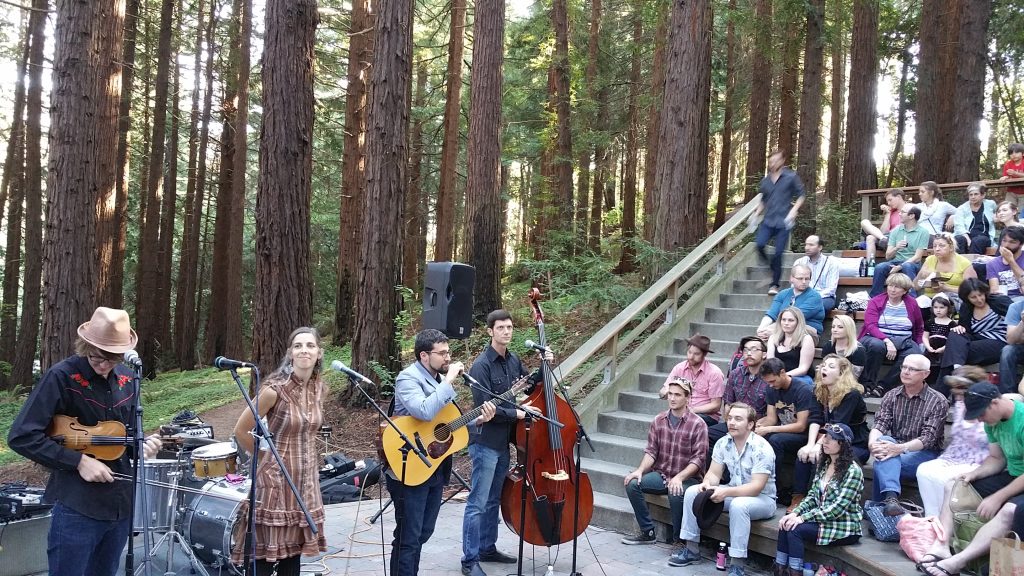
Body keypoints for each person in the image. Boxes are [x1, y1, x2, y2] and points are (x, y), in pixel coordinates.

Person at [8, 307, 162, 576]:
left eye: (111, 359)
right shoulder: (61, 377)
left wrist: (143, 445)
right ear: (86, 345)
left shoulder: (128, 379)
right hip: (77, 507)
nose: (102, 365)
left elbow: (124, 438)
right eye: (96, 357)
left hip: (119, 505)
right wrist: (78, 461)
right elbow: (22, 436)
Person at [386, 329, 496, 576]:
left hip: (434, 465)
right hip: (409, 465)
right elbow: (423, 411)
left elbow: (445, 423)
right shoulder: (408, 378)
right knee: (409, 536)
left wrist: (478, 420)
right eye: (442, 353)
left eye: (449, 352)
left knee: (424, 532)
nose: (448, 358)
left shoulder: (437, 380)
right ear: (425, 355)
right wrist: (448, 381)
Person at [227, 327, 329, 575]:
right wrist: (267, 460)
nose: (304, 350)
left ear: (319, 353)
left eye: (310, 345)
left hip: (305, 484)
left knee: (292, 558)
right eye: (298, 346)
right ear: (290, 354)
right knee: (263, 559)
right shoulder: (274, 390)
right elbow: (241, 431)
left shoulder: (320, 389)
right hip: (275, 483)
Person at [461, 310, 547, 574]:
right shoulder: (481, 366)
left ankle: (488, 548)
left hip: (504, 443)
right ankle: (470, 560)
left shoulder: (513, 361)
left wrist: (546, 366)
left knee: (492, 500)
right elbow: (484, 411)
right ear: (490, 331)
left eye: (509, 327)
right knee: (477, 502)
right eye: (501, 328)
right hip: (484, 443)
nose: (507, 332)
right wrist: (518, 413)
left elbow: (530, 386)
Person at [919, 381, 1024, 576]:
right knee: (954, 484)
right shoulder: (992, 421)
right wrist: (973, 474)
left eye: (982, 414)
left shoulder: (1022, 419)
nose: (981, 420)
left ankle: (958, 561)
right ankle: (941, 546)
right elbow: (996, 459)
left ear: (994, 403)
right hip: (1013, 475)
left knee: (1010, 510)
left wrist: (998, 497)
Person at [669, 403, 777, 576]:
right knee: (692, 492)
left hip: (762, 500)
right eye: (730, 418)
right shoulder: (723, 442)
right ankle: (691, 549)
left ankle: (737, 565)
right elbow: (713, 473)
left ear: (750, 424)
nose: (732, 422)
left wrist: (725, 492)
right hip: (733, 492)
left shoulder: (762, 448)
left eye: (738, 419)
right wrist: (707, 484)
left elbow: (756, 487)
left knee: (739, 506)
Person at [621, 377, 708, 545]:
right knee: (632, 483)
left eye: (678, 395)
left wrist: (680, 478)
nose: (672, 398)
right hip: (662, 475)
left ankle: (679, 541)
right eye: (670, 394)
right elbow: (651, 451)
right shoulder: (658, 420)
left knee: (675, 492)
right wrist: (639, 470)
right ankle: (648, 532)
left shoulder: (698, 424)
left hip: (688, 479)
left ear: (687, 397)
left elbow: (699, 459)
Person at [774, 423, 863, 576]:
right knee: (786, 523)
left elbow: (837, 509)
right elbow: (812, 496)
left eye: (831, 438)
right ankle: (779, 570)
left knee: (795, 530)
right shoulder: (825, 464)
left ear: (843, 444)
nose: (824, 441)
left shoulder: (853, 471)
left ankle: (794, 572)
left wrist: (803, 518)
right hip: (823, 519)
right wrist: (795, 513)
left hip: (844, 526)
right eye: (825, 437)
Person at [868, 353, 949, 516]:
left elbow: (928, 438)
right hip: (895, 445)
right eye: (904, 367)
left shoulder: (938, 401)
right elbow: (880, 423)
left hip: (924, 453)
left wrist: (899, 448)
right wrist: (872, 443)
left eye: (912, 369)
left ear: (925, 374)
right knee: (883, 443)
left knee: (882, 460)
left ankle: (879, 507)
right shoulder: (892, 395)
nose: (905, 371)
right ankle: (890, 501)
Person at [791, 355, 869, 513]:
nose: (824, 368)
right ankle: (799, 496)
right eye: (824, 365)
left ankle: (818, 500)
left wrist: (819, 446)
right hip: (829, 440)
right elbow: (815, 418)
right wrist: (810, 444)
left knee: (821, 456)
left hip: (853, 444)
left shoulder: (851, 394)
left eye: (831, 366)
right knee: (804, 455)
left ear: (841, 373)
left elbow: (837, 424)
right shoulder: (819, 390)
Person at [914, 366, 989, 517]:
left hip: (980, 461)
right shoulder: (960, 406)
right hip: (954, 456)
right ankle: (932, 519)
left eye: (961, 388)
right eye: (955, 388)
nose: (957, 393)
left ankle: (947, 521)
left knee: (944, 478)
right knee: (924, 470)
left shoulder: (989, 408)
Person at [754, 358, 824, 506]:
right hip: (784, 431)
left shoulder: (802, 389)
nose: (770, 385)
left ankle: (775, 487)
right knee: (756, 436)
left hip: (804, 436)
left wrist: (769, 429)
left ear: (782, 372)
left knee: (775, 439)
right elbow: (771, 419)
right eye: (768, 382)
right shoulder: (771, 389)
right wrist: (755, 426)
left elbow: (801, 426)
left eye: (773, 381)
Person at [935, 278, 1011, 393]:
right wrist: (959, 328)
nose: (979, 299)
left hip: (998, 341)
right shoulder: (966, 307)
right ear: (967, 298)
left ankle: (942, 392)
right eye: (973, 297)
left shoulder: (999, 301)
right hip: (975, 340)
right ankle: (958, 370)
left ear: (985, 292)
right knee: (955, 333)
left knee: (951, 353)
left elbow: (1016, 314)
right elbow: (965, 332)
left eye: (980, 295)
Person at [858, 272, 925, 397]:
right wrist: (887, 341)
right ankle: (867, 384)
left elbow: (919, 326)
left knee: (914, 354)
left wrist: (920, 342)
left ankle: (883, 386)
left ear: (905, 291)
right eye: (891, 285)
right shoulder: (875, 301)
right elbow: (870, 325)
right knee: (877, 346)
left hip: (903, 340)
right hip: (875, 337)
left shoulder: (912, 303)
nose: (893, 289)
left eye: (897, 287)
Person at [754, 149, 806, 295]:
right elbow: (763, 199)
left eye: (776, 160)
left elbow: (801, 195)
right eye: (771, 161)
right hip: (768, 220)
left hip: (784, 221)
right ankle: (772, 269)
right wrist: (757, 212)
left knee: (778, 253)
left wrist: (794, 209)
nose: (773, 163)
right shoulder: (765, 181)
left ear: (782, 161)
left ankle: (774, 285)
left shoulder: (791, 176)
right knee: (759, 245)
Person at [708, 336, 771, 452]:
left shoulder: (770, 378)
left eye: (754, 349)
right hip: (734, 422)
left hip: (757, 425)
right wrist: (732, 423)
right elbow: (728, 404)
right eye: (746, 350)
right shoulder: (735, 374)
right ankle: (720, 469)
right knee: (707, 435)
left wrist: (749, 425)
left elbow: (771, 416)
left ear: (764, 354)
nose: (749, 353)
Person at [659, 334, 725, 426]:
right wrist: (665, 392)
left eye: (696, 354)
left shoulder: (714, 373)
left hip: (706, 416)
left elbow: (716, 405)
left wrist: (691, 410)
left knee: (686, 422)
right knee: (661, 421)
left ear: (704, 354)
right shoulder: (679, 368)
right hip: (680, 412)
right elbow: (663, 391)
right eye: (689, 352)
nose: (691, 357)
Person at [868, 204, 930, 297]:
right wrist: (896, 248)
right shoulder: (896, 231)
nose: (899, 214)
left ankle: (912, 299)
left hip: (912, 263)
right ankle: (875, 298)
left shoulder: (923, 232)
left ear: (911, 216)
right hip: (895, 261)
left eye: (903, 212)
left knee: (907, 267)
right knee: (880, 267)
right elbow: (888, 256)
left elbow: (917, 257)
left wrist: (901, 266)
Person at [756, 264, 825, 339]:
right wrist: (761, 329)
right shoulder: (782, 294)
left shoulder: (814, 297)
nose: (804, 282)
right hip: (783, 327)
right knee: (759, 340)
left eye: (807, 279)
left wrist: (773, 330)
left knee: (775, 336)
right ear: (791, 278)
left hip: (806, 332)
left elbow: (795, 317)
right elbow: (771, 314)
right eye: (800, 278)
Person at [913, 232, 976, 300]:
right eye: (934, 246)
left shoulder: (964, 263)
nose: (937, 249)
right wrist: (921, 276)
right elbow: (915, 287)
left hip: (953, 299)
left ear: (951, 248)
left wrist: (946, 288)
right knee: (920, 301)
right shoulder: (929, 260)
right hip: (929, 298)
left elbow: (971, 290)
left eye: (941, 246)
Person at [766, 307, 816, 386]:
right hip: (777, 377)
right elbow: (770, 363)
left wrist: (783, 377)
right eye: (783, 319)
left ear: (798, 322)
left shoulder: (806, 339)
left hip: (800, 378)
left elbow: (803, 369)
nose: (786, 323)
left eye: (790, 320)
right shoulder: (773, 338)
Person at [792, 235, 840, 313]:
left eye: (811, 245)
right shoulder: (799, 262)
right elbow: (793, 284)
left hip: (824, 297)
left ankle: (801, 321)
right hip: (801, 295)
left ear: (820, 247)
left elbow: (831, 289)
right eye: (806, 244)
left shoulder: (831, 264)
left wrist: (813, 297)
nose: (807, 247)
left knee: (815, 305)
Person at [860, 188, 907, 259]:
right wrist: (888, 213)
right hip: (886, 239)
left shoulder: (910, 209)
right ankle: (870, 266)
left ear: (899, 197)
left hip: (900, 238)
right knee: (865, 225)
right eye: (887, 201)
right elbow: (883, 232)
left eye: (890, 200)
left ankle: (884, 239)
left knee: (874, 237)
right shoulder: (891, 212)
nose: (888, 203)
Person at [953, 181, 997, 254]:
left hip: (984, 236)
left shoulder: (990, 204)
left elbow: (998, 213)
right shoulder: (962, 208)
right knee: (958, 239)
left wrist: (997, 219)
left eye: (976, 194)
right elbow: (959, 227)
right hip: (966, 235)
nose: (973, 197)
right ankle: (960, 264)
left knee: (978, 241)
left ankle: (973, 264)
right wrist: (968, 239)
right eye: (971, 195)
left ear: (983, 195)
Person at [922, 295, 958, 381]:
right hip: (930, 349)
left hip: (944, 350)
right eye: (935, 307)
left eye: (942, 307)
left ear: (948, 308)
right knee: (927, 366)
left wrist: (943, 348)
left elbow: (952, 340)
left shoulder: (952, 324)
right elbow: (925, 336)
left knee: (940, 368)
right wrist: (928, 346)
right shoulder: (930, 322)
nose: (938, 310)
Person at [820, 315, 866, 379]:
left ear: (849, 329)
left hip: (852, 384)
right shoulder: (828, 346)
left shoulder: (859, 350)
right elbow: (824, 369)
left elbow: (854, 376)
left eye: (840, 327)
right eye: (833, 327)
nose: (835, 330)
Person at [986, 225, 1024, 299]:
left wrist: (1011, 261)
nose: (1006, 245)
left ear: (1021, 244)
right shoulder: (993, 263)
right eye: (1004, 241)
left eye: (1012, 242)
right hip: (1003, 299)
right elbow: (994, 289)